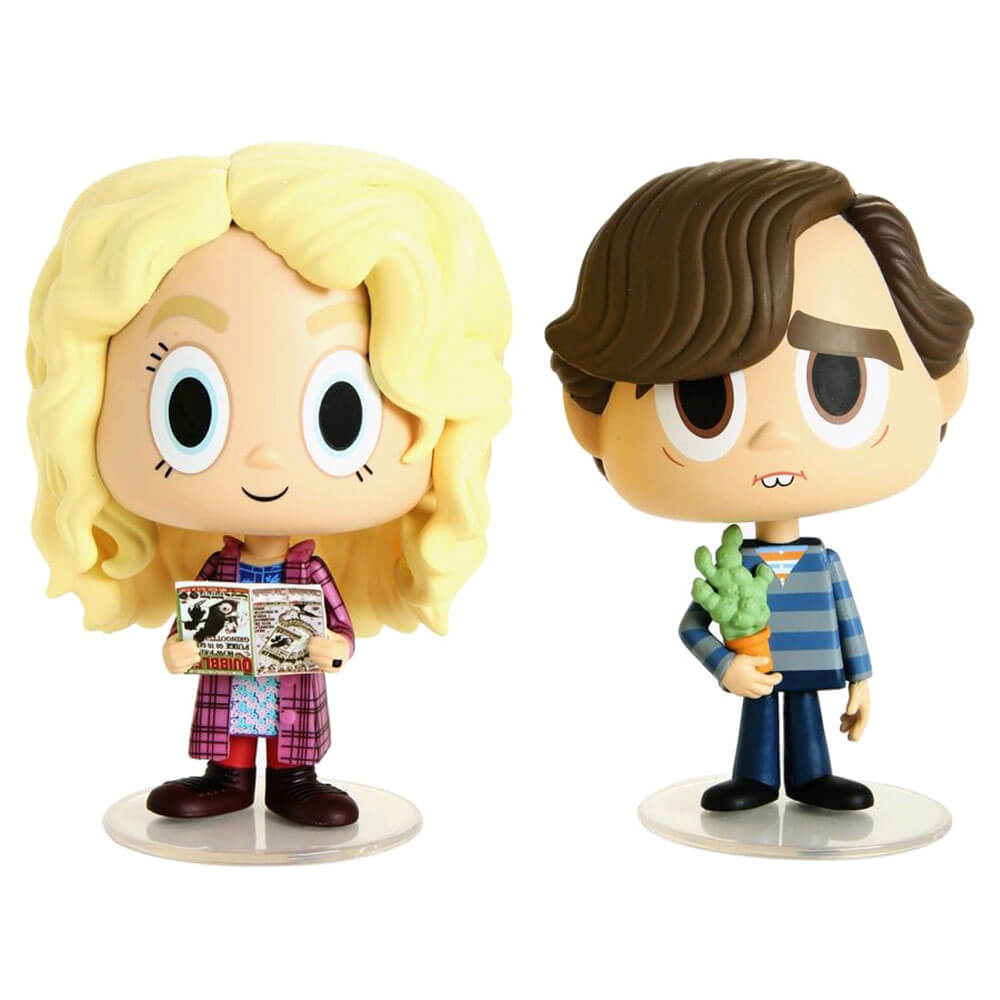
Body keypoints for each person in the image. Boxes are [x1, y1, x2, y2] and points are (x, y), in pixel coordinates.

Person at [28, 144, 511, 826]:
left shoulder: (310, 578)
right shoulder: (219, 572)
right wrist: (179, 647)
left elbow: (338, 628)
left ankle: (294, 780)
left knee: (289, 735)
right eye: (187, 406)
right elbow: (193, 620)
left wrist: (333, 649)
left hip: (292, 689)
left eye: (342, 410)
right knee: (229, 727)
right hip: (231, 686)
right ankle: (226, 777)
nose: (264, 458)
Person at [545, 159, 971, 811]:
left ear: (947, 382)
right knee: (760, 716)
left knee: (803, 715)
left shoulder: (823, 566)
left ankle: (811, 777)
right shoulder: (728, 573)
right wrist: (727, 664)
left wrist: (861, 680)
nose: (775, 439)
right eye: (703, 401)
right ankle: (754, 777)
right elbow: (692, 625)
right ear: (588, 418)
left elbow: (849, 623)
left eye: (838, 385)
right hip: (755, 672)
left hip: (810, 671)